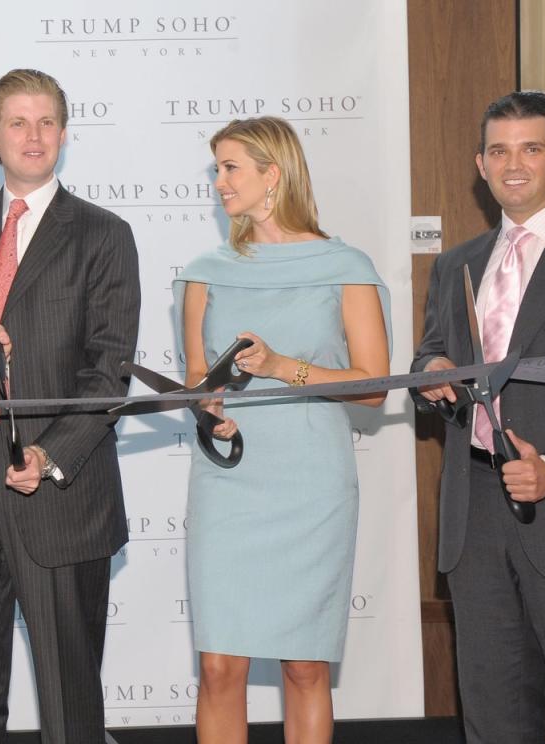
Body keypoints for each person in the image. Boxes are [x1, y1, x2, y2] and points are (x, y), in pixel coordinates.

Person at [0, 68, 140, 744]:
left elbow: (110, 373)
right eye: (17, 122)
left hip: (61, 496)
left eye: (46, 121)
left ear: (66, 133)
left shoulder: (103, 234)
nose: (33, 135)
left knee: (71, 711)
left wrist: (48, 455)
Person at [172, 116, 391, 744]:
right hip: (231, 485)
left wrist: (280, 367)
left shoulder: (346, 265)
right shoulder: (203, 272)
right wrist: (205, 408)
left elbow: (373, 385)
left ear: (273, 174)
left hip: (310, 484)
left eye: (230, 167)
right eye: (216, 168)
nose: (218, 181)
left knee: (303, 665)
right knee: (219, 667)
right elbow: (196, 380)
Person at [412, 91, 545, 743]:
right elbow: (432, 356)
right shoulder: (455, 265)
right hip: (475, 519)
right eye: (498, 150)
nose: (513, 163)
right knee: (492, 719)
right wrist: (433, 377)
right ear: (479, 163)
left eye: (531, 148)